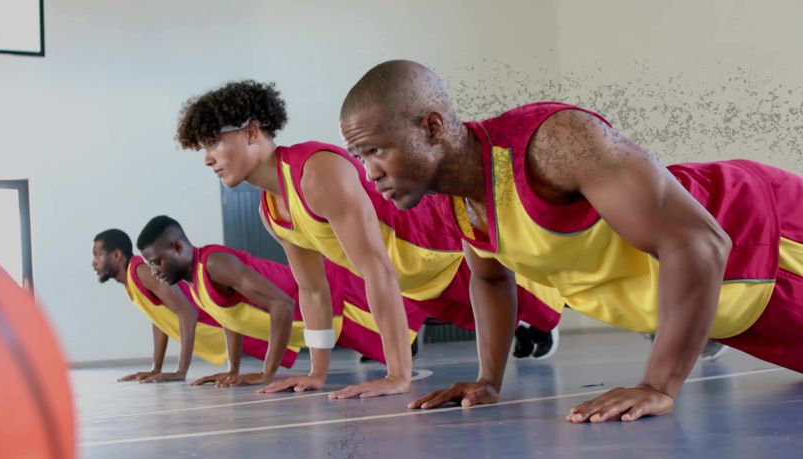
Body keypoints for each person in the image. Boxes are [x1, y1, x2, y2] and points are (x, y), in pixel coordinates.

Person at [338, 59, 803, 422]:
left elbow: (699, 242)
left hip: (769, 242)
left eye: (377, 150)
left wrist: (657, 386)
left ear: (432, 127)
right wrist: (488, 380)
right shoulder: (452, 198)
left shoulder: (553, 142)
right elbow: (491, 282)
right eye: (360, 157)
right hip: (739, 313)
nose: (369, 173)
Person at [175, 81, 565, 400]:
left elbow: (374, 266)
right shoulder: (271, 211)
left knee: (552, 301)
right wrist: (316, 372)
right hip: (415, 284)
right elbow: (312, 291)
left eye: (213, 143)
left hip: (443, 250)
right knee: (504, 321)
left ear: (251, 132)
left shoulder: (315, 172)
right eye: (202, 149)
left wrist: (398, 375)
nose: (208, 158)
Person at [135, 216, 428, 389]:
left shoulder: (214, 263)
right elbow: (230, 320)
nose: (154, 271)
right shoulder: (196, 279)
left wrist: (267, 373)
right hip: (319, 311)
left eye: (157, 262)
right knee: (402, 326)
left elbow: (283, 305)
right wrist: (232, 368)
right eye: (150, 265)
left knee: (423, 304)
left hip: (335, 298)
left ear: (178, 247)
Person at [91, 229, 281, 384]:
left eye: (97, 255)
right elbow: (159, 321)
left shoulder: (141, 271)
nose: (94, 262)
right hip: (228, 327)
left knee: (292, 323)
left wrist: (180, 371)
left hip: (227, 323)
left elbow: (188, 312)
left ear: (116, 255)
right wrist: (156, 368)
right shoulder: (131, 282)